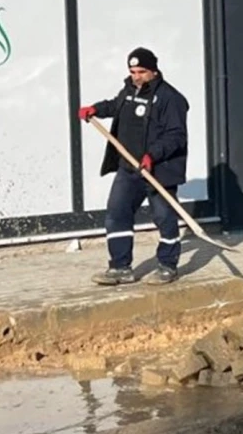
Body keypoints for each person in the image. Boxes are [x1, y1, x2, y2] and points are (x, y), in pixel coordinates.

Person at [78, 48, 190, 286]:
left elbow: (176, 136)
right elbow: (116, 106)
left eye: (141, 72)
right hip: (129, 168)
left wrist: (152, 155)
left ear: (154, 71)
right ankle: (120, 267)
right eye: (132, 72)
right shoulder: (129, 90)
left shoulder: (171, 99)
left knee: (164, 218)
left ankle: (167, 266)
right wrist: (96, 109)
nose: (136, 76)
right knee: (117, 213)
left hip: (158, 170)